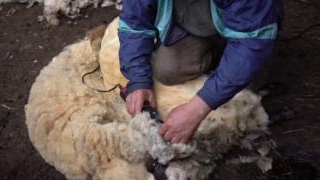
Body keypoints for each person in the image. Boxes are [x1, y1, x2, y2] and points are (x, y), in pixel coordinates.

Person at [118, 0, 282, 144]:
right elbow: (135, 24)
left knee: (247, 89)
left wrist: (197, 108)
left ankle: (233, 58)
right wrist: (138, 80)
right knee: (167, 69)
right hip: (193, 25)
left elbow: (251, 42)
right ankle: (222, 59)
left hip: (247, 25)